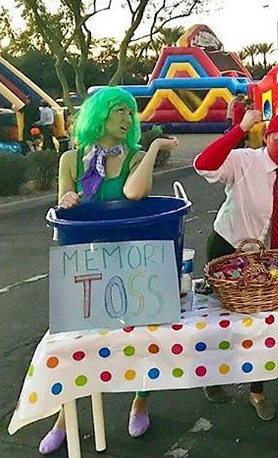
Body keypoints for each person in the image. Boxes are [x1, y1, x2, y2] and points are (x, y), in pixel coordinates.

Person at [40, 87, 178, 455]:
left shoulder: (133, 156)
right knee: (79, 344)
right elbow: (63, 207)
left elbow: (135, 194)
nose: (126, 119)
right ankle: (65, 417)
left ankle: (140, 400)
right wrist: (66, 200)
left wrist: (151, 150)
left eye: (130, 113)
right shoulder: (70, 159)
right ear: (99, 115)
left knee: (138, 336)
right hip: (85, 262)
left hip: (132, 259)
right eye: (119, 110)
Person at [194, 107, 278, 420]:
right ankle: (214, 377)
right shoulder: (244, 160)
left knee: (263, 323)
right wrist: (239, 129)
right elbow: (203, 164)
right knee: (222, 321)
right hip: (227, 247)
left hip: (261, 256)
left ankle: (257, 389)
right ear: (267, 136)